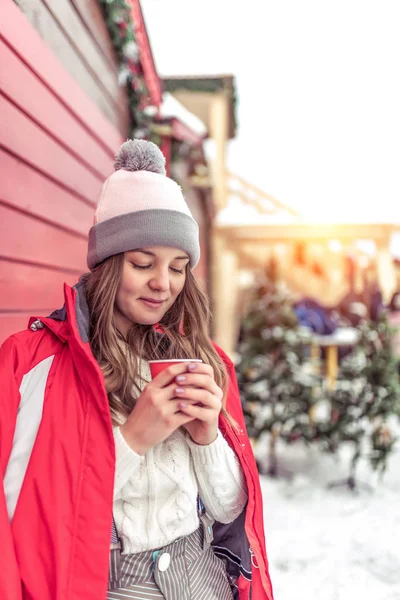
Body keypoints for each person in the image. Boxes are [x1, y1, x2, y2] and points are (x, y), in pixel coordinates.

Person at [0, 140, 273, 600]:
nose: (162, 284)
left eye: (179, 267)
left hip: (202, 578)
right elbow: (27, 522)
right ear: (107, 263)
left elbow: (231, 512)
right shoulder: (34, 365)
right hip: (110, 584)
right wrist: (131, 441)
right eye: (143, 263)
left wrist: (208, 436)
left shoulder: (205, 361)